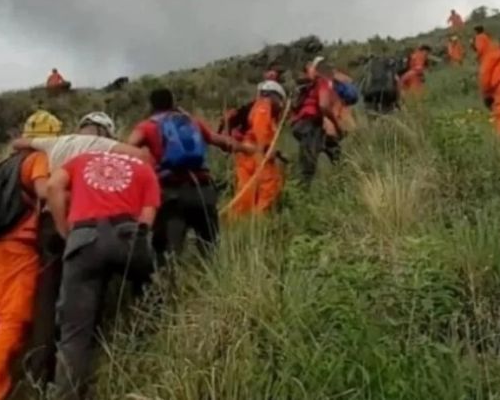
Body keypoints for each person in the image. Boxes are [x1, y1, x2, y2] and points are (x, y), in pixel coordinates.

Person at [47, 151, 161, 400]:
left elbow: (53, 185)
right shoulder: (145, 169)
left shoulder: (82, 160)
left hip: (84, 236)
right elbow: (147, 218)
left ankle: (69, 394)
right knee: (153, 300)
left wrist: (64, 231)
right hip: (127, 234)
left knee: (74, 333)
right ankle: (146, 374)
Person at [0, 110, 63, 400]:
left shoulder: (7, 163)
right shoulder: (38, 159)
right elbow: (43, 190)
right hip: (20, 251)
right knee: (12, 321)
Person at [127, 88, 255, 258]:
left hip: (171, 194)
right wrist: (248, 149)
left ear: (151, 105)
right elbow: (221, 141)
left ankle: (169, 281)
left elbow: (127, 148)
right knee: (210, 248)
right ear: (173, 102)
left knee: (169, 253)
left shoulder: (147, 126)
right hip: (203, 191)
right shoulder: (192, 122)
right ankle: (213, 279)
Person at [231, 81, 286, 216]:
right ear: (273, 95)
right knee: (269, 186)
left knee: (246, 192)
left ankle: (241, 224)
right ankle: (260, 220)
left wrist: (276, 152)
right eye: (280, 100)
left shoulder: (259, 108)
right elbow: (260, 131)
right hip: (256, 155)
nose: (280, 105)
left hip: (249, 154)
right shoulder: (264, 106)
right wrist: (265, 151)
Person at [290, 62, 346, 184]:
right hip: (311, 124)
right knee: (307, 168)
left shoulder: (303, 86)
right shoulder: (321, 82)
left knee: (330, 145)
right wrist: (336, 124)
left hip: (298, 125)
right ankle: (302, 194)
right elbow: (324, 106)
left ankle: (342, 176)